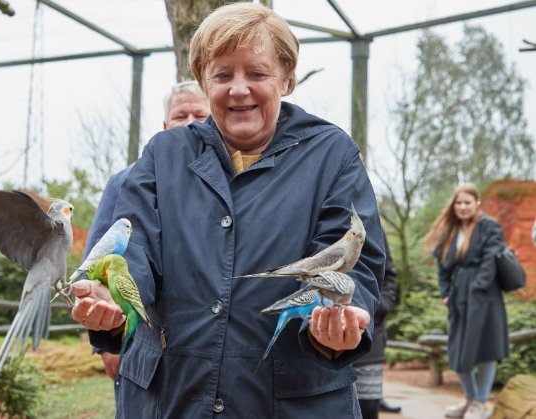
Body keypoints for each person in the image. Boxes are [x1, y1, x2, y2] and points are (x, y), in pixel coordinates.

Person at [71, 3, 385, 417]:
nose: (239, 89)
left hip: (289, 400)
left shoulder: (332, 155)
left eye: (257, 73)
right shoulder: (163, 155)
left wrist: (341, 320)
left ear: (286, 77)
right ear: (203, 80)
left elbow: (352, 257)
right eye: (222, 75)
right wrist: (114, 299)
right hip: (173, 397)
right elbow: (134, 245)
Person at [84, 80, 210, 389]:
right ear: (165, 125)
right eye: (181, 116)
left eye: (200, 115)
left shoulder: (229, 182)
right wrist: (105, 343)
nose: (190, 123)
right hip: (140, 338)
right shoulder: (127, 181)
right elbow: (100, 255)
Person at [425, 183, 509, 419]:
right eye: (458, 203)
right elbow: (442, 266)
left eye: (467, 202)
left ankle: (480, 403)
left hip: (485, 296)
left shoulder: (489, 226)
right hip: (458, 297)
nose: (462, 207)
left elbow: (490, 260)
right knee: (457, 352)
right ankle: (470, 399)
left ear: (477, 203)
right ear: (454, 205)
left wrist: (477, 289)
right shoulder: (449, 230)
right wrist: (445, 293)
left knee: (485, 350)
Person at [353, 231, 399, 419]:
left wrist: (381, 306)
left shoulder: (374, 226)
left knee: (368, 406)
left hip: (370, 331)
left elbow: (389, 275)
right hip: (321, 331)